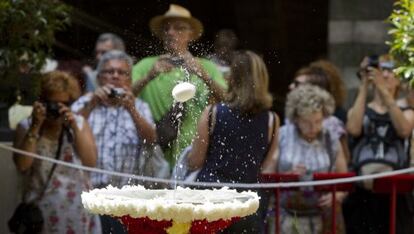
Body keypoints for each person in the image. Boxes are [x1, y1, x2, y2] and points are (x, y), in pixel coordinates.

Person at [187, 51, 278, 233]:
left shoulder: (212, 113)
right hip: (248, 201)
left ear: (232, 78)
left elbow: (194, 161)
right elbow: (267, 167)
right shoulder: (272, 120)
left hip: (210, 199)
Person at [72, 50, 156, 234]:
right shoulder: (85, 102)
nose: (115, 76)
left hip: (125, 196)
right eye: (109, 72)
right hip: (88, 193)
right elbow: (70, 132)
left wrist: (131, 109)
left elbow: (151, 140)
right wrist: (93, 102)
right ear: (99, 77)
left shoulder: (140, 106)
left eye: (122, 72)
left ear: (129, 79)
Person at [132, 4, 227, 166]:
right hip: (156, 158)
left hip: (195, 157)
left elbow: (229, 100)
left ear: (191, 35)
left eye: (179, 28)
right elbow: (123, 98)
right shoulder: (146, 66)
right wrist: (148, 77)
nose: (171, 32)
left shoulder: (207, 67)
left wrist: (204, 76)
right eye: (166, 29)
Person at [12, 71, 100, 233]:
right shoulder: (26, 126)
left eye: (62, 104)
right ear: (42, 101)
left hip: (76, 210)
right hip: (39, 213)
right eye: (51, 103)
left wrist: (73, 126)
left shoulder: (79, 124)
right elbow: (22, 165)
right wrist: (35, 126)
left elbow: (90, 162)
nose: (56, 109)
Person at [263, 84, 348, 234]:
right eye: (307, 122)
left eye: (318, 121)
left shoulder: (331, 139)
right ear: (296, 118)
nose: (313, 128)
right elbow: (266, 175)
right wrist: (287, 176)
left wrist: (337, 195)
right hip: (288, 216)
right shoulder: (282, 136)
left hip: (324, 216)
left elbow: (344, 181)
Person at [343, 54, 414, 234]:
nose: (386, 75)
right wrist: (364, 85)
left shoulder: (407, 112)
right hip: (363, 193)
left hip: (396, 195)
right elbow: (353, 128)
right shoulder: (360, 109)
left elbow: (404, 129)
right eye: (382, 70)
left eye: (391, 71)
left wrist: (384, 93)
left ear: (399, 81)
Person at [288, 64, 351, 162]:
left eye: (297, 84)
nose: (291, 86)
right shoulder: (284, 131)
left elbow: (344, 163)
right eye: (305, 122)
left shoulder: (332, 126)